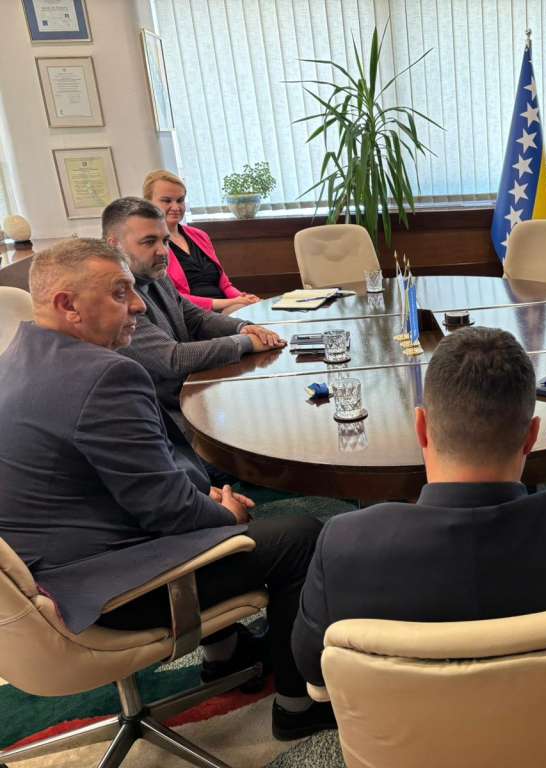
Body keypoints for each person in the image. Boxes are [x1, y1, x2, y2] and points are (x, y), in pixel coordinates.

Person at [0, 239, 333, 740]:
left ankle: (225, 657)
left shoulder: (16, 355)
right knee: (301, 536)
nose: (138, 305)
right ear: (67, 305)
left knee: (207, 497)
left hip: (44, 569)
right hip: (100, 589)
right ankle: (297, 707)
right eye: (120, 293)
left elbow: (129, 481)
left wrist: (201, 499)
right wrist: (226, 514)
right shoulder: (104, 375)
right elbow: (170, 514)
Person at [291, 327, 546, 686]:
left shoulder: (344, 545)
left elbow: (312, 668)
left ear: (421, 427)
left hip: (410, 734)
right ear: (532, 436)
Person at [102, 197, 286, 440]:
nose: (163, 251)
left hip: (194, 393)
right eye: (149, 242)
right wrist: (246, 343)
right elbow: (173, 359)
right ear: (113, 244)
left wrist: (244, 328)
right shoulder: (115, 299)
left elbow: (195, 318)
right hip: (165, 419)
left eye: (165, 241)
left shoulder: (157, 276)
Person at [143, 169, 260, 313]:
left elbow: (225, 285)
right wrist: (230, 302)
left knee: (258, 308)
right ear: (148, 203)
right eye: (167, 201)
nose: (176, 207)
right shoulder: (151, 246)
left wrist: (245, 299)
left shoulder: (200, 235)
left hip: (226, 307)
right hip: (192, 315)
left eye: (180, 200)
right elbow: (175, 298)